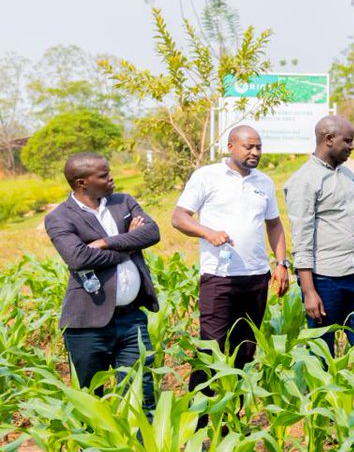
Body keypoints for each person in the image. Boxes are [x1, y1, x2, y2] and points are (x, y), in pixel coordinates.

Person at [172, 125, 290, 423]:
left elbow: (273, 224)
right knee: (211, 349)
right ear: (230, 147)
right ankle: (198, 422)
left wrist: (282, 263)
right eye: (249, 147)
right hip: (219, 278)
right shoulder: (207, 177)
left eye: (259, 147)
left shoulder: (264, 182)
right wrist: (207, 232)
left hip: (256, 278)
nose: (255, 153)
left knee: (245, 351)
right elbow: (179, 217)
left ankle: (229, 418)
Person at [44, 152, 160, 415]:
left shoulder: (123, 202)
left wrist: (107, 242)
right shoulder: (59, 217)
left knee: (141, 395)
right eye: (103, 175)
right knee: (89, 400)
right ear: (82, 182)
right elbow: (79, 257)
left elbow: (152, 232)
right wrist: (129, 245)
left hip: (132, 320)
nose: (111, 178)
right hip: (87, 323)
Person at [283, 115, 354, 376]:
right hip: (325, 280)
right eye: (348, 141)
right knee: (321, 354)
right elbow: (301, 238)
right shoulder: (304, 181)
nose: (352, 147)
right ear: (329, 140)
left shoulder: (348, 175)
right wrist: (309, 291)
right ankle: (325, 414)